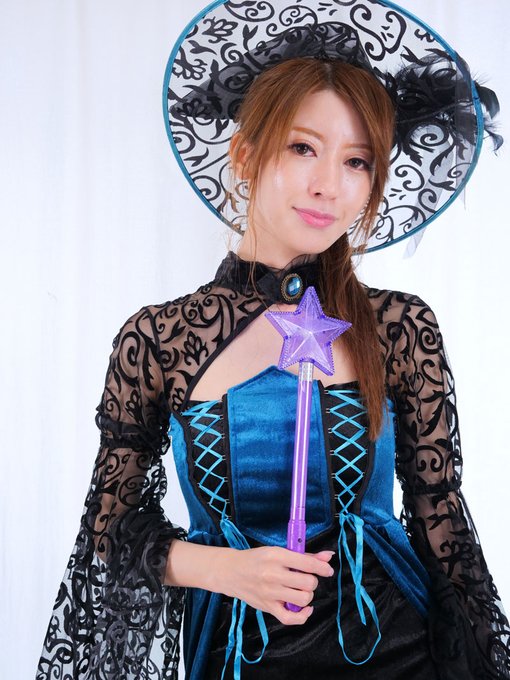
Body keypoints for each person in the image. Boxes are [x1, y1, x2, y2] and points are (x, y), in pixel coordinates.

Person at [37, 1, 510, 679]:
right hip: (237, 655)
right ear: (246, 153)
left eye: (357, 161)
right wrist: (224, 569)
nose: (329, 186)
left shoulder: (400, 327)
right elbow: (109, 536)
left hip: (401, 653)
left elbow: (444, 525)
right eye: (302, 147)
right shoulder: (160, 339)